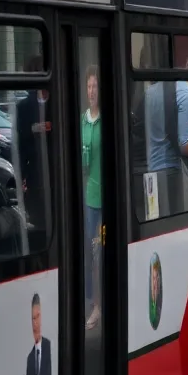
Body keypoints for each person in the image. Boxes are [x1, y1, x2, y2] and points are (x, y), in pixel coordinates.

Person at [144, 50, 188, 216]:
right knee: (175, 224)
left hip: (151, 169)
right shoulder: (187, 97)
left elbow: (180, 135)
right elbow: (185, 145)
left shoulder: (154, 90)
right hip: (172, 170)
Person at [15, 56, 51, 236]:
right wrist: (21, 177)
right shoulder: (23, 108)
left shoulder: (59, 103)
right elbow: (20, 146)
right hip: (35, 181)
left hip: (57, 178)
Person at [80, 65, 103, 330]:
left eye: (95, 86)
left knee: (102, 254)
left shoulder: (103, 120)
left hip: (106, 197)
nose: (92, 91)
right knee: (93, 253)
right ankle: (96, 305)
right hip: (90, 198)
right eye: (89, 86)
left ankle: (101, 304)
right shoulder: (84, 120)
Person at [22, 294, 53, 375]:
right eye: (33, 319)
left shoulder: (49, 346)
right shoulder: (30, 357)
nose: (36, 323)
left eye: (38, 316)